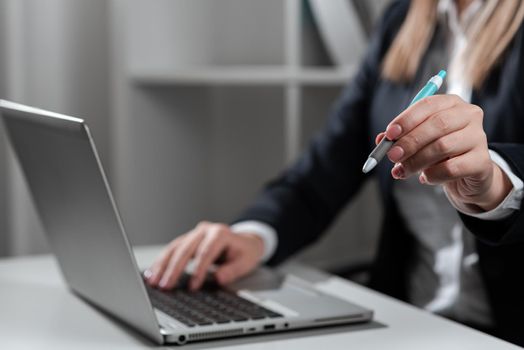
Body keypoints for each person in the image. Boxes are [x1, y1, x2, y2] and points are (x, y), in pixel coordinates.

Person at [145, 0, 524, 346]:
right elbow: (326, 166)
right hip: (410, 324)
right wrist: (252, 236)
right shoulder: (402, 20)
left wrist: (493, 182)